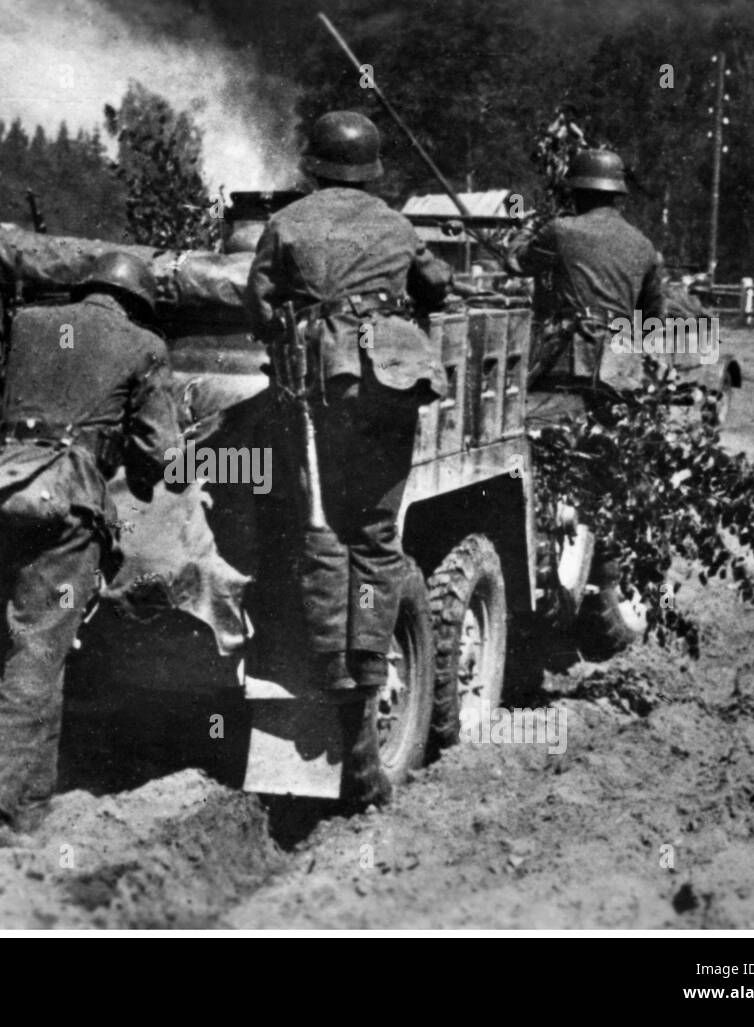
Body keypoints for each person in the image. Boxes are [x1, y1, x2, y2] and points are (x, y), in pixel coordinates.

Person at [245, 110, 453, 809]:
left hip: (316, 397)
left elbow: (258, 302)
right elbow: (438, 288)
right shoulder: (395, 224)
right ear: (370, 169)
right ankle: (364, 699)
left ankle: (341, 694)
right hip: (389, 395)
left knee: (322, 537)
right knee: (375, 541)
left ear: (314, 165)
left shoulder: (289, 223)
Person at [0, 251, 182, 858]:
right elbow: (159, 456)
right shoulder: (143, 347)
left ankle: (29, 803)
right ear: (138, 304)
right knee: (36, 654)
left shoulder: (27, 324)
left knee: (26, 646)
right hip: (64, 509)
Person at [507, 148, 665, 418]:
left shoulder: (560, 230)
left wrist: (523, 229)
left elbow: (516, 263)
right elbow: (652, 320)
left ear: (577, 193)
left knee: (544, 436)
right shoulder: (644, 245)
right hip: (620, 368)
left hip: (566, 364)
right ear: (617, 196)